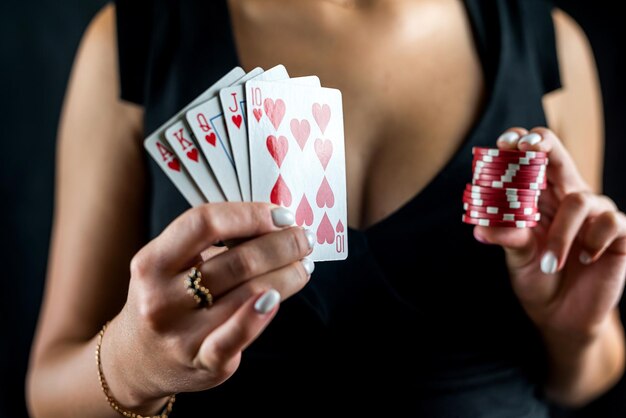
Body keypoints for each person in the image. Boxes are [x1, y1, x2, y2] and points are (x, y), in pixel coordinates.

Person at [26, 0, 626, 416]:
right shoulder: (132, 38)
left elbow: (588, 375)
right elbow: (47, 392)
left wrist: (573, 328)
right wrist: (137, 366)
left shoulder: (551, 46)